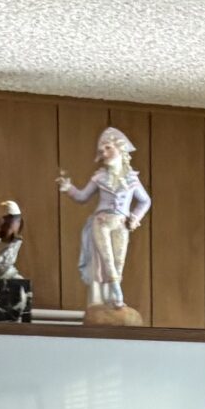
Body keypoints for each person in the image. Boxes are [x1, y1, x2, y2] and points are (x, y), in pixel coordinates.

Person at [58, 127, 150, 310]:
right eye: (102, 151)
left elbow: (145, 200)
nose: (104, 153)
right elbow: (83, 197)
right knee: (105, 259)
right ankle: (114, 294)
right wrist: (69, 188)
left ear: (120, 149)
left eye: (108, 148)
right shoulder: (100, 177)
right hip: (102, 222)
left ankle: (112, 297)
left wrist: (134, 217)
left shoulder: (132, 179)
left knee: (118, 260)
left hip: (121, 223)